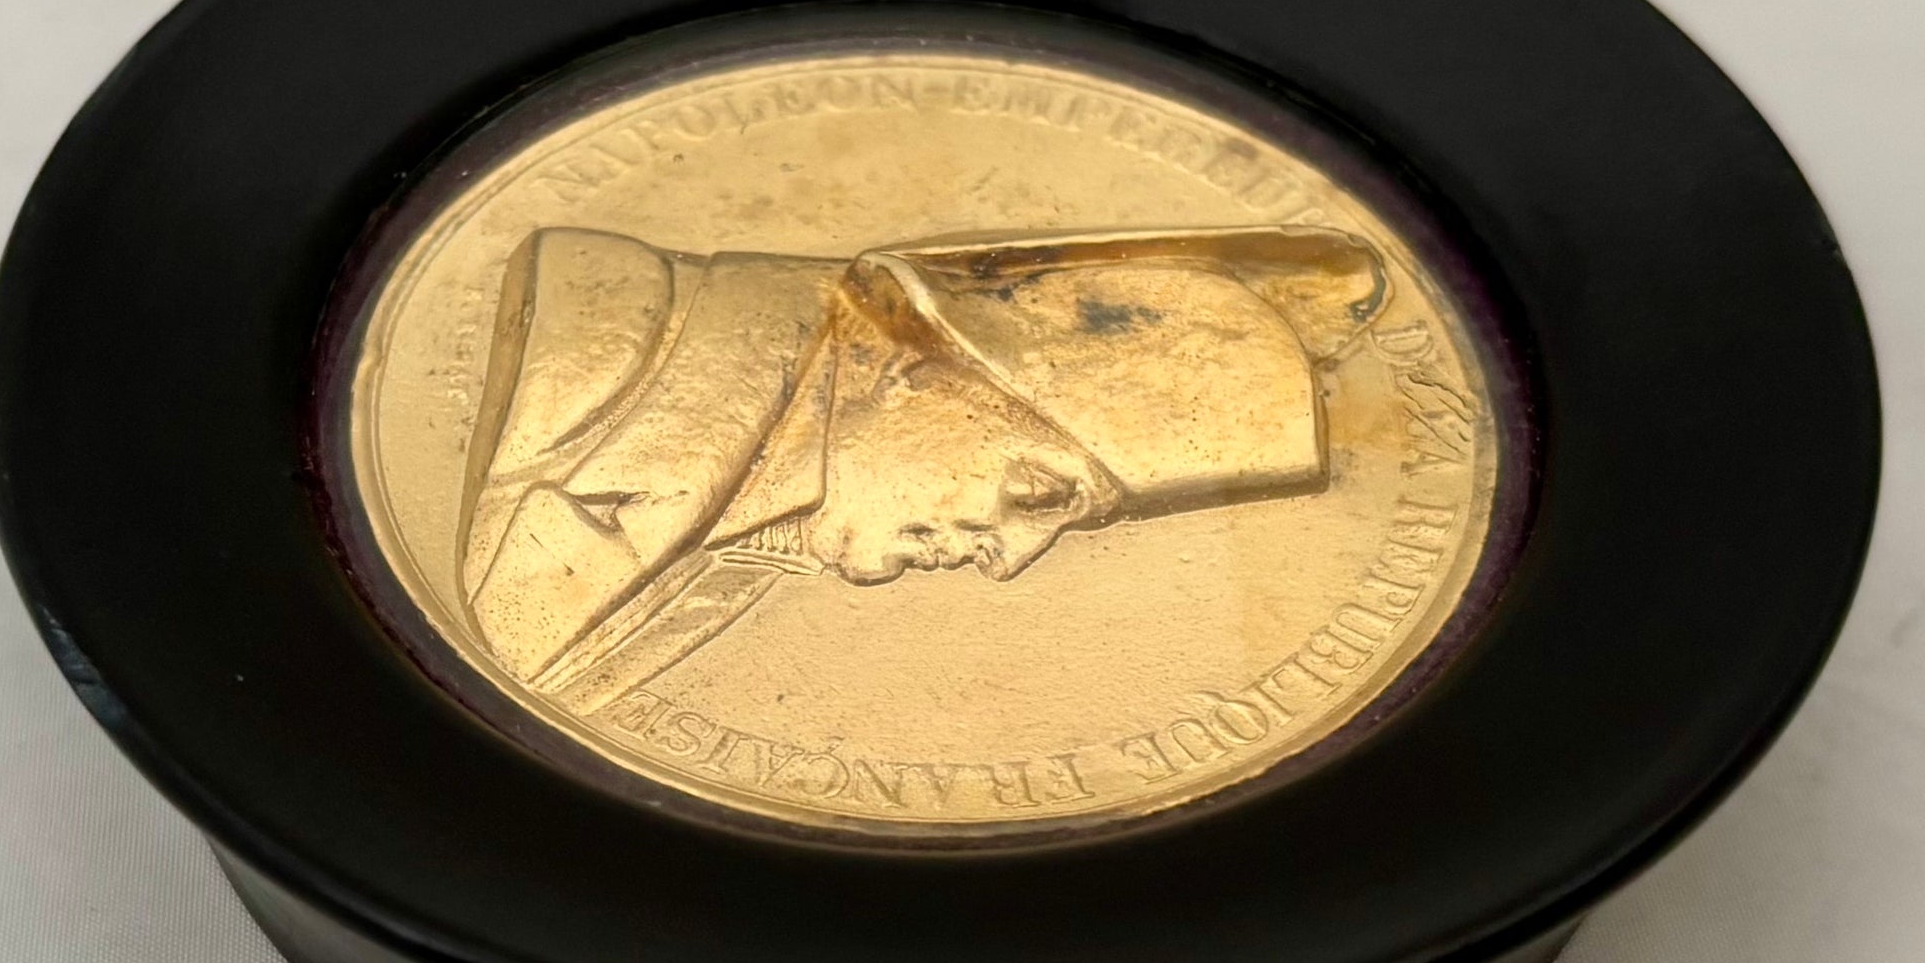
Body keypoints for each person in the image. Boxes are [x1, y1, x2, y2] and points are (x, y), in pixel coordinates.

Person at [458, 223, 1388, 701]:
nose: (1010, 559)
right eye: (1039, 493)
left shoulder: (742, 555)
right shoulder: (596, 336)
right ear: (920, 369)